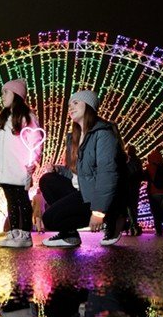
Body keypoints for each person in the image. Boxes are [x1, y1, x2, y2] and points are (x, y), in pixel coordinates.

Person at [39, 89, 127, 248]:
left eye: (76, 102)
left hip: (93, 196)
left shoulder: (103, 134)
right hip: (81, 191)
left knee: (50, 219)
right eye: (69, 104)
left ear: (89, 105)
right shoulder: (74, 137)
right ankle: (70, 235)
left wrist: (98, 212)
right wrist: (58, 170)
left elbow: (107, 174)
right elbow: (79, 173)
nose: (70, 107)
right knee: (47, 180)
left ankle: (112, 215)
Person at [0, 78, 42, 248]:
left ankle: (25, 235)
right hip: (4, 170)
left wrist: (34, 161)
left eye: (5, 92)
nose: (1, 96)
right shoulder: (1, 119)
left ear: (16, 94)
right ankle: (13, 233)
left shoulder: (27, 117)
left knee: (22, 201)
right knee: (11, 201)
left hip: (19, 169)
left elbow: (36, 141)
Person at [145, 148, 163, 236]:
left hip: (154, 192)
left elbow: (144, 177)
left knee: (156, 212)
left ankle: (159, 231)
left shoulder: (150, 167)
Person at [125, 145, 144, 236]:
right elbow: (141, 174)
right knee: (133, 207)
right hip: (135, 186)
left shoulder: (127, 161)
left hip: (128, 186)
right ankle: (133, 226)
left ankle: (133, 226)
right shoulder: (138, 161)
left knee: (129, 207)